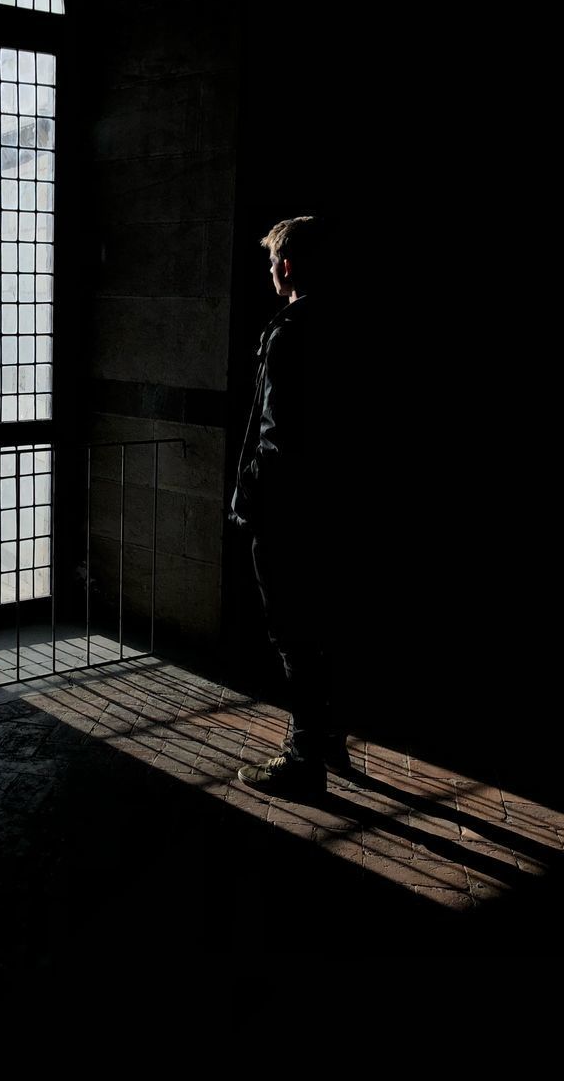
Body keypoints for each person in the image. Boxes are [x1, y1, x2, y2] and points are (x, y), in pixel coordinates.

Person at [230, 215, 352, 799]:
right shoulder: (342, 324)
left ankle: (305, 757)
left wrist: (252, 495)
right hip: (329, 505)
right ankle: (327, 736)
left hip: (286, 510)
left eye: (272, 261)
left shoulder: (289, 331)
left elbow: (275, 433)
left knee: (291, 630)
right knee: (324, 622)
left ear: (287, 266)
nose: (270, 271)